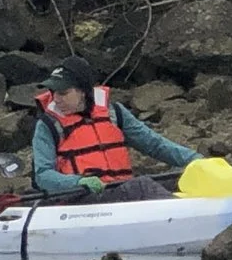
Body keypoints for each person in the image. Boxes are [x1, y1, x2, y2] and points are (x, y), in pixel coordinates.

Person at [29, 56, 199, 203]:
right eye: (53, 93)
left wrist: (195, 160)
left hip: (120, 191)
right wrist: (78, 182)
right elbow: (42, 175)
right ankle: (188, 218)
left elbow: (154, 144)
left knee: (183, 177)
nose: (56, 99)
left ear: (82, 91)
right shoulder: (48, 126)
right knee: (141, 186)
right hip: (81, 196)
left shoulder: (114, 113)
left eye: (63, 93)